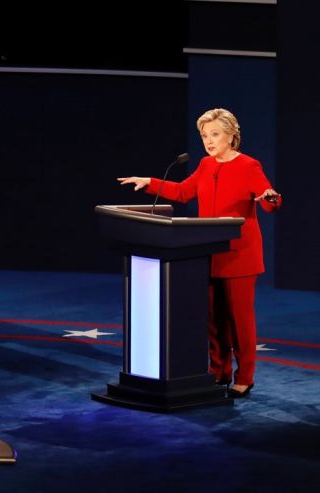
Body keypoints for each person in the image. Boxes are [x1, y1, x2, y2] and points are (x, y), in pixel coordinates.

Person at [118, 108, 281, 399]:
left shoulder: (249, 166)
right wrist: (151, 182)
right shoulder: (206, 165)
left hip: (239, 256)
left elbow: (267, 198)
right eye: (205, 135)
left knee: (240, 321)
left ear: (232, 136)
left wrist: (270, 197)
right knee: (215, 320)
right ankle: (218, 372)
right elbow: (183, 192)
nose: (209, 141)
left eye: (215, 134)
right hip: (208, 253)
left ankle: (245, 377)